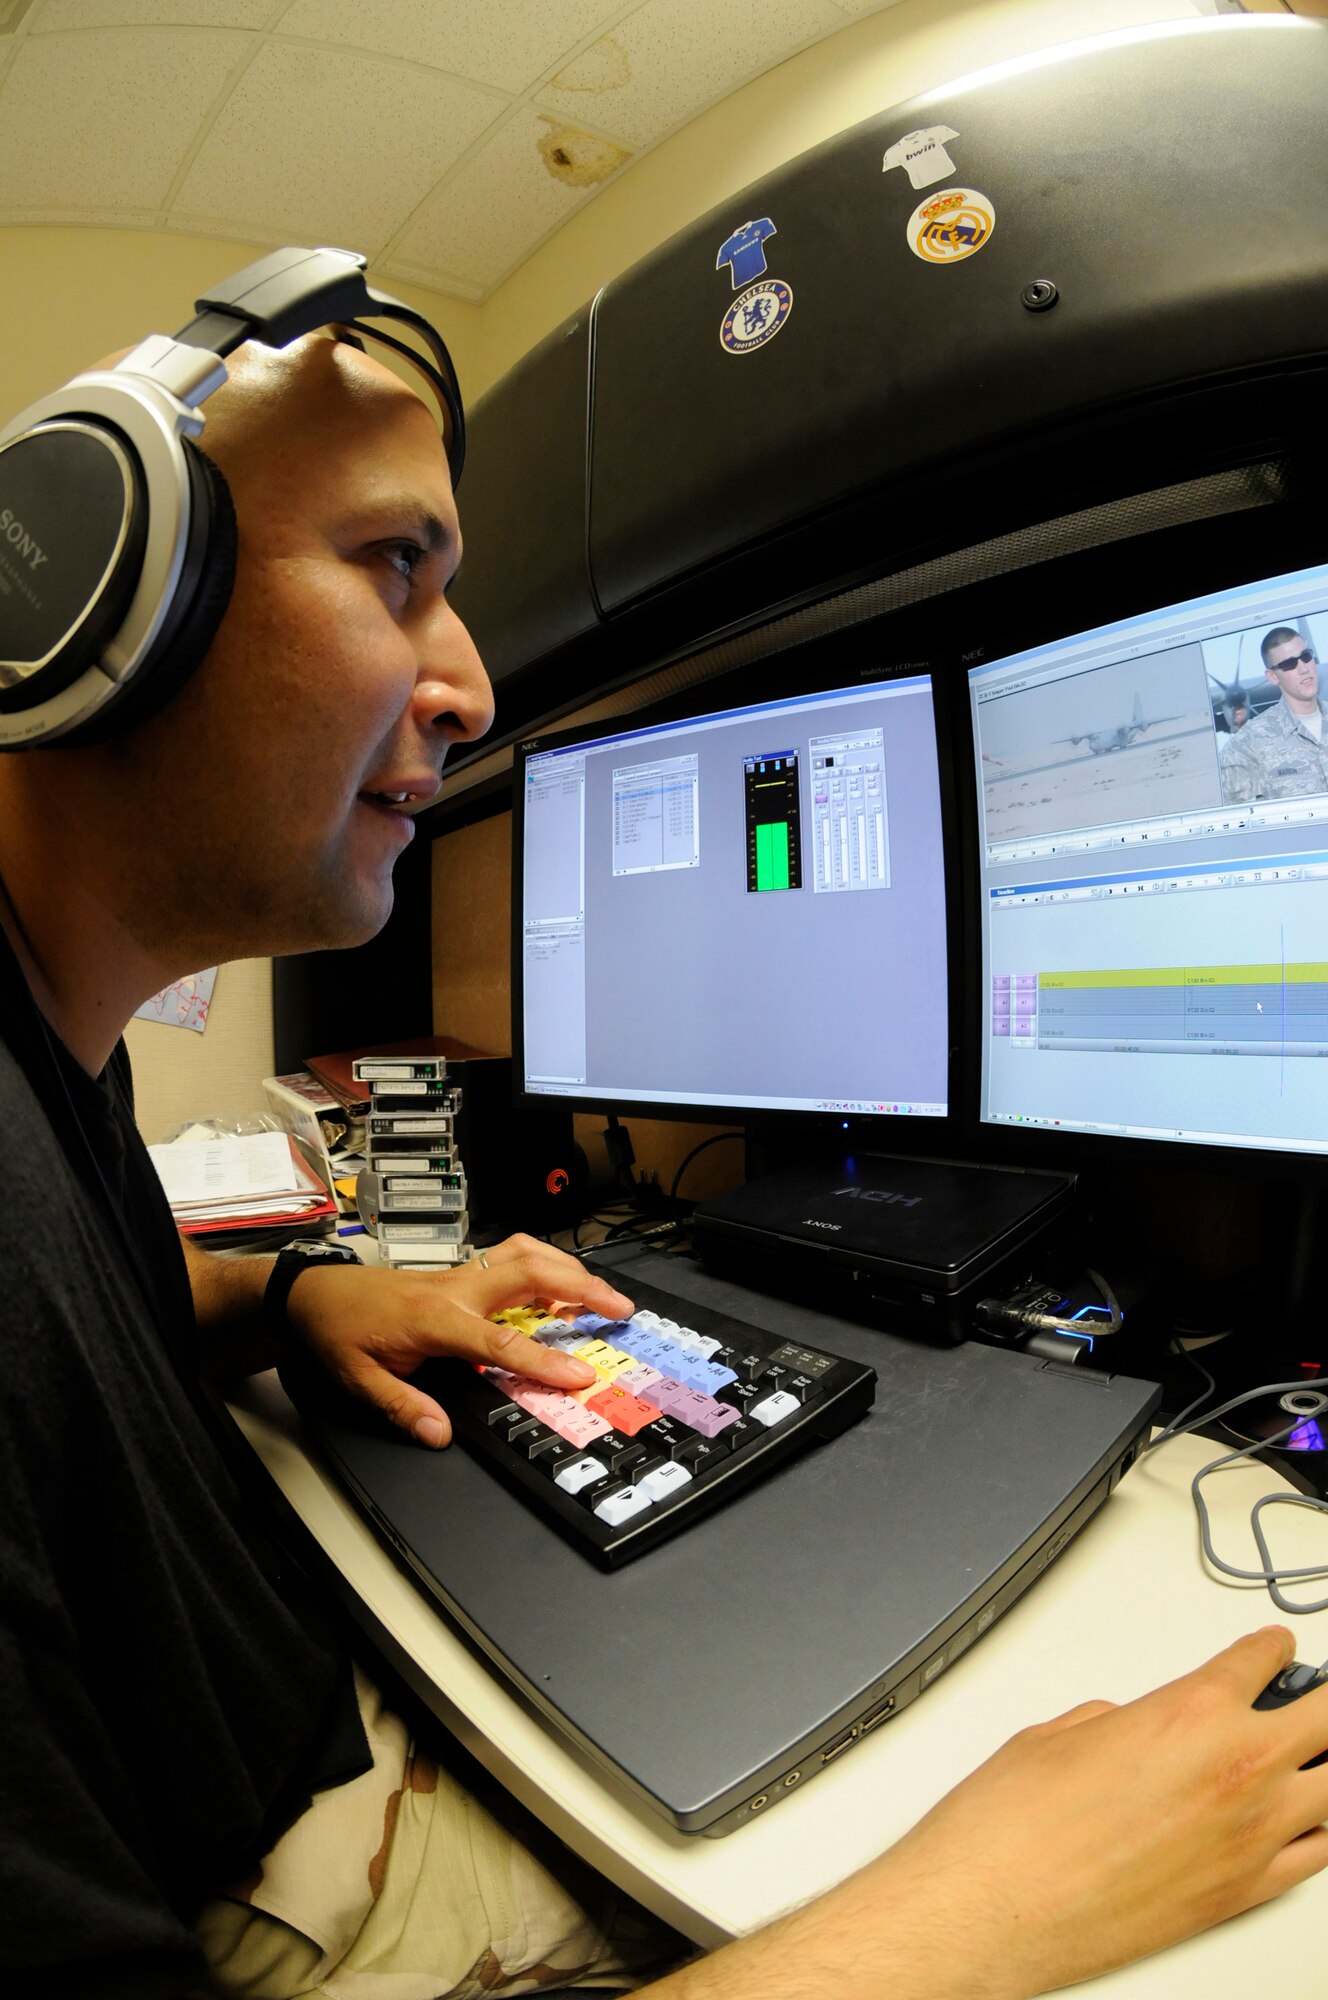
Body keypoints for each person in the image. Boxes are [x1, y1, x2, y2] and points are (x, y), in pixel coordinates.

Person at [2, 324, 1327, 2000]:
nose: (471, 687)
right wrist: (993, 1909)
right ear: (88, 604)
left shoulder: (50, 1041)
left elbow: (82, 1301)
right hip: (295, 1891)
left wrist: (298, 1297)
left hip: (284, 1739)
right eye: (395, 563)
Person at [1220, 624, 1328, 802]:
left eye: (1306, 657)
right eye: (1289, 664)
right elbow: (1238, 818)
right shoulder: (1245, 746)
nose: (1303, 668)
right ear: (1272, 676)